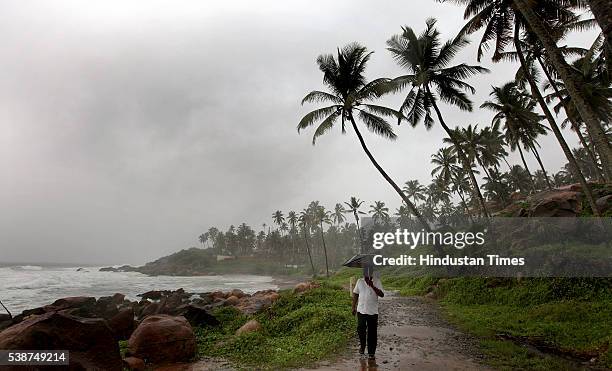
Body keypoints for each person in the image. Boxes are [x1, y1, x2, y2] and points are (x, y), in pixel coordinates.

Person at [352, 267, 384, 359]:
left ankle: (371, 352)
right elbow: (355, 294)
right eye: (364, 271)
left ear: (372, 271)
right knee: (360, 329)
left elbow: (382, 294)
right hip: (361, 310)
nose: (365, 272)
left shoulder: (377, 281)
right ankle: (362, 346)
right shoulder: (360, 281)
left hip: (373, 311)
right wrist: (353, 307)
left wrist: (372, 285)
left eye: (368, 270)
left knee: (372, 332)